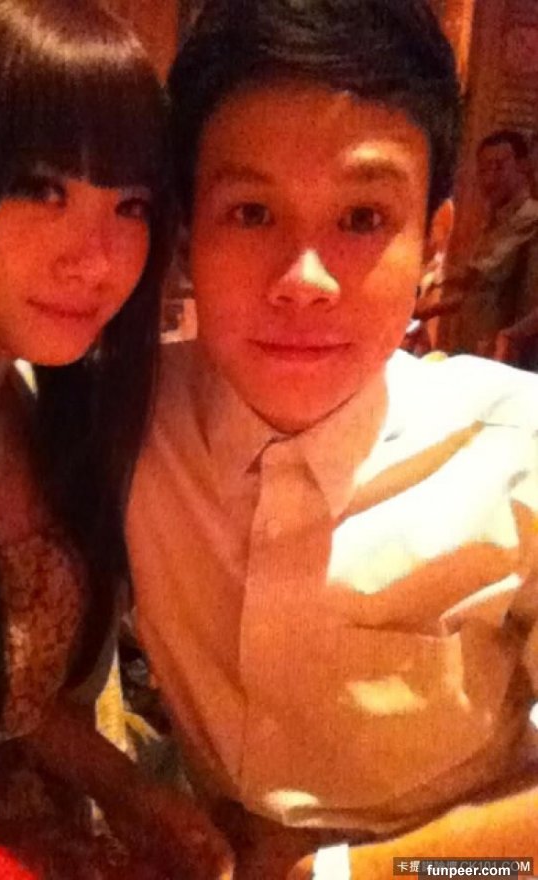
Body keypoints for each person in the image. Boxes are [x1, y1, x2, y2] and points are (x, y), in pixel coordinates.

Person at [126, 1, 538, 877]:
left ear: (433, 242)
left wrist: (350, 875)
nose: (304, 281)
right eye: (251, 213)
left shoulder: (518, 451)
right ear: (188, 236)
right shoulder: (129, 417)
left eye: (361, 219)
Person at [0, 2, 231, 878]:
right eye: (42, 189)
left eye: (131, 204)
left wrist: (130, 791)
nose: (99, 259)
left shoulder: (45, 411)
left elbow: (3, 697)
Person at [417, 130, 538, 361]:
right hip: (477, 348)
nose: (489, 179)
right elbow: (477, 292)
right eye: (483, 170)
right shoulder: (492, 222)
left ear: (523, 165)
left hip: (508, 358)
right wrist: (424, 311)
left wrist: (437, 278)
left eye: (499, 167)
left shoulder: (531, 219)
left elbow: (479, 274)